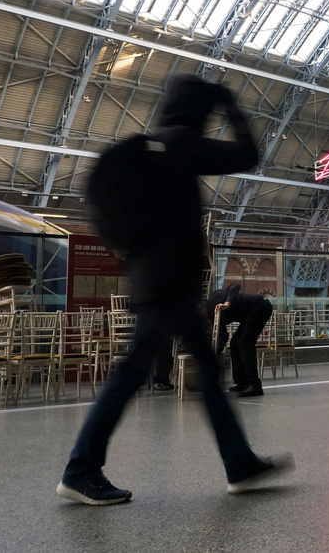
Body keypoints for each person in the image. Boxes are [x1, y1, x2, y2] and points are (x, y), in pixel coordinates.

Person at [56, 74, 293, 506]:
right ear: (199, 111)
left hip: (160, 281)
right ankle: (80, 469)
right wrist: (229, 104)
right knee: (133, 374)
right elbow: (248, 153)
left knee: (195, 370)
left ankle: (239, 462)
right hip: (168, 285)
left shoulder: (154, 148)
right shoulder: (182, 144)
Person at [209, 283, 273, 397]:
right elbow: (223, 337)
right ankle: (242, 383)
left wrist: (227, 304)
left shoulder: (214, 299)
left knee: (244, 343)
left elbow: (235, 286)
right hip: (249, 314)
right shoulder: (212, 316)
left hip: (261, 305)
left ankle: (255, 385)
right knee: (234, 343)